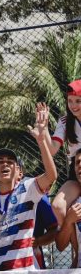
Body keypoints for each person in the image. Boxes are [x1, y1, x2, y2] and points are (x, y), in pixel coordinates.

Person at [0, 103, 57, 271]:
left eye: (10, 162)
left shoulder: (28, 188)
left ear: (18, 170)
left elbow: (52, 176)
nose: (5, 165)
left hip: (24, 272)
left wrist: (41, 141)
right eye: (0, 162)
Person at [50, 80, 81, 225]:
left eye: (78, 101)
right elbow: (52, 149)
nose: (73, 106)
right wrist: (43, 133)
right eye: (70, 101)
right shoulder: (64, 121)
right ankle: (71, 242)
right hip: (76, 171)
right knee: (58, 206)